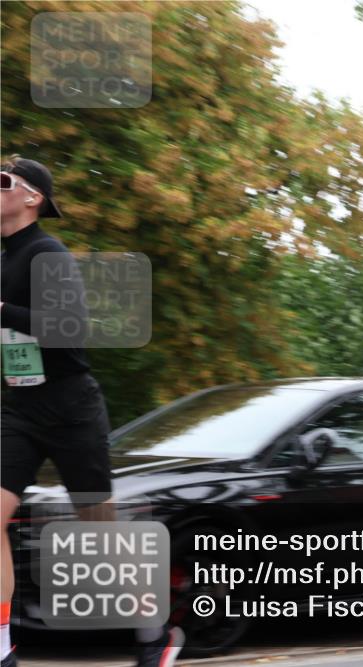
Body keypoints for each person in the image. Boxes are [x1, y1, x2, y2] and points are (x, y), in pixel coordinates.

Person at [0, 158, 183, 667]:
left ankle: (155, 635)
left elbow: (68, 328)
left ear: (33, 197)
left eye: (2, 182)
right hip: (21, 406)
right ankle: (1, 650)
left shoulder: (47, 255)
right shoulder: (4, 261)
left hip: (70, 408)